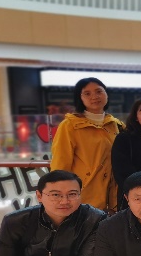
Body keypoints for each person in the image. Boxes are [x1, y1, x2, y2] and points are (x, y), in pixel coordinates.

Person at [50, 77, 123, 212]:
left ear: (106, 94)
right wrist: (60, 195)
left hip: (113, 198)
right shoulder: (70, 125)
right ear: (80, 98)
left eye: (99, 91)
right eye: (87, 94)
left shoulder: (116, 125)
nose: (94, 97)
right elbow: (61, 163)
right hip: (83, 196)